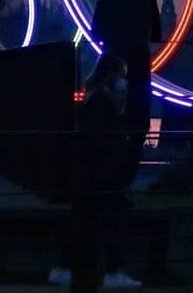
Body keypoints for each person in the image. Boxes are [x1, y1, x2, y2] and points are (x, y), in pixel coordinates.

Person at [48, 55, 142, 289]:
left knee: (84, 224)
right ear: (110, 75)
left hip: (91, 176)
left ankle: (66, 269)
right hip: (99, 177)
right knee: (101, 223)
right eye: (121, 75)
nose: (124, 81)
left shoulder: (95, 100)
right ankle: (110, 271)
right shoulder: (102, 105)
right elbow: (102, 141)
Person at [91, 0, 162, 189]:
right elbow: (157, 35)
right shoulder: (147, 0)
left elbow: (96, 33)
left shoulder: (108, 0)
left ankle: (107, 179)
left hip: (112, 66)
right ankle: (125, 180)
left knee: (110, 119)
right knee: (138, 125)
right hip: (139, 67)